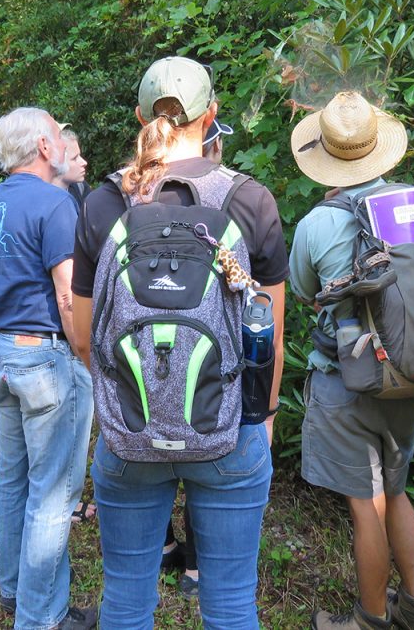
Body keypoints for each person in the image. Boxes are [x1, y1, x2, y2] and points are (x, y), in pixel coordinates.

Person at [71, 56, 288, 628]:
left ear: (141, 115)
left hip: (129, 430)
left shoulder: (102, 204)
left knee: (124, 599)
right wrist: (259, 421)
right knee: (233, 600)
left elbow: (84, 336)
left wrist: (131, 392)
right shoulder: (250, 200)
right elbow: (268, 331)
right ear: (211, 115)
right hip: (229, 428)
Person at [288, 91, 414, 630]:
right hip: (408, 369)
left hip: (345, 378)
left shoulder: (316, 224)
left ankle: (370, 618)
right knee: (395, 491)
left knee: (364, 502)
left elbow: (306, 292)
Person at [0, 107, 97, 630]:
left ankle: (15, 588)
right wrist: (89, 358)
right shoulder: (55, 203)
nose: (65, 144)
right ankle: (42, 617)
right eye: (61, 136)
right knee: (54, 488)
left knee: (13, 476)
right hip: (43, 357)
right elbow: (69, 297)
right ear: (44, 147)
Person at [157, 113, 237, 599]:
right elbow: (262, 316)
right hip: (211, 377)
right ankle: (197, 570)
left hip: (135, 381)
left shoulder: (122, 194)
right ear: (209, 129)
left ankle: (163, 549)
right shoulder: (241, 198)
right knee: (204, 458)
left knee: (149, 450)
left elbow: (87, 321)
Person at [57, 125, 90, 205]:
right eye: (74, 158)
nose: (84, 162)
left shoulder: (80, 187)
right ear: (56, 162)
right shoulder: (41, 198)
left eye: (79, 156)